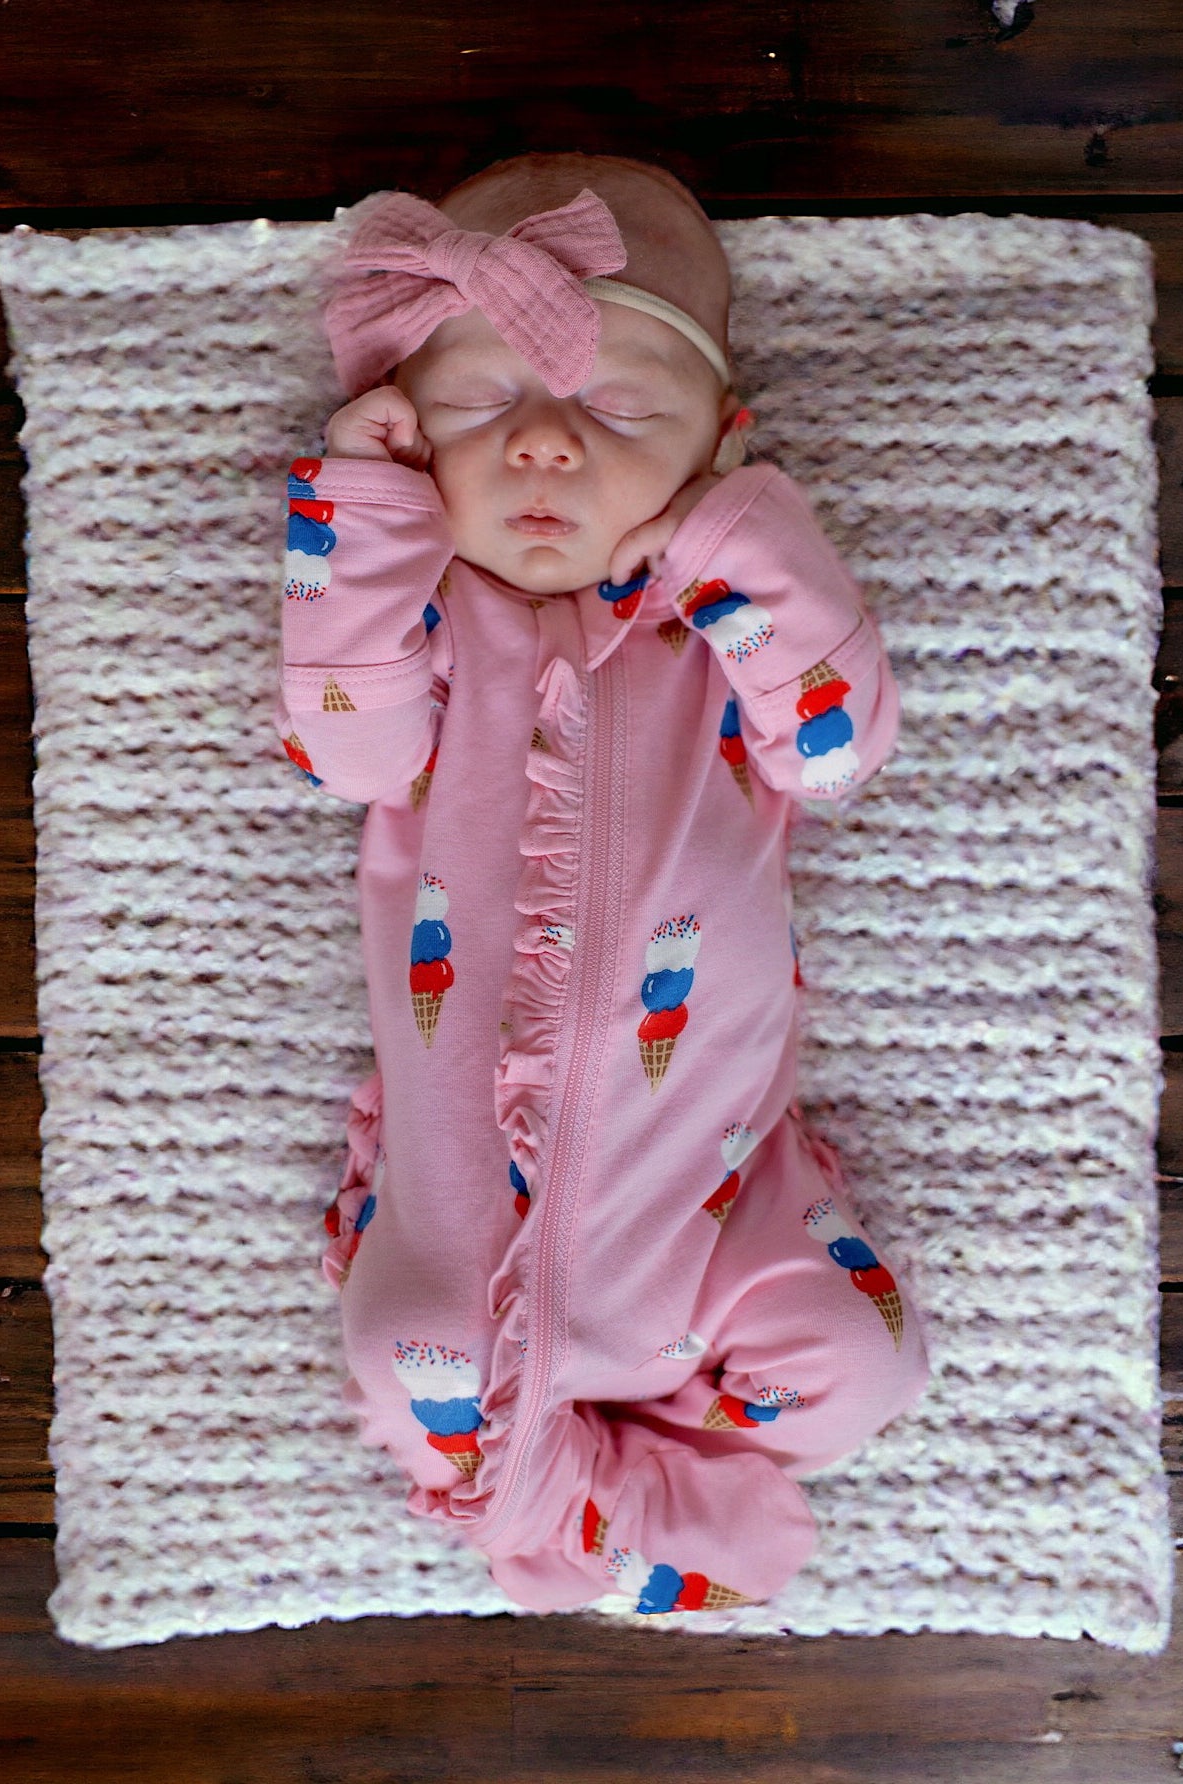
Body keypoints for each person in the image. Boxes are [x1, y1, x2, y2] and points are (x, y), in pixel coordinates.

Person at [276, 151, 931, 1616]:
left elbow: (836, 750)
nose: (544, 446)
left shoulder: (710, 627)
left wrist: (728, 542)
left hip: (719, 1194)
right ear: (410, 438)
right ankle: (612, 1506)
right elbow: (344, 747)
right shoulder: (435, 621)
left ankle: (568, 1502)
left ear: (722, 442)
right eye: (475, 407)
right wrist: (365, 519)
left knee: (862, 1370)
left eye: (621, 412)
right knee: (405, 1359)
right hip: (459, 1198)